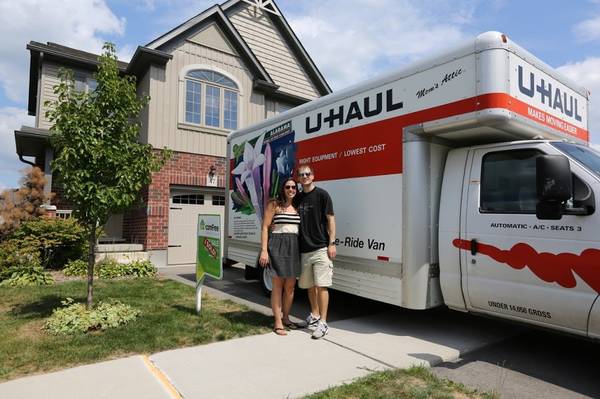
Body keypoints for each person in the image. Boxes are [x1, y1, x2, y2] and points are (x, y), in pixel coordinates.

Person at [293, 165, 336, 339]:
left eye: (307, 174)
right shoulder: (297, 198)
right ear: (298, 178)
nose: (305, 176)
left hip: (320, 248)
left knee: (322, 285)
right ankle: (314, 315)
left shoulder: (322, 195)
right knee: (309, 286)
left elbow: (330, 219)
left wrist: (332, 243)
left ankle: (323, 323)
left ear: (313, 176)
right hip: (304, 250)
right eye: (301, 175)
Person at [259, 177, 302, 336]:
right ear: (282, 189)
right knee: (277, 285)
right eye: (287, 187)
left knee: (290, 286)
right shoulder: (274, 205)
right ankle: (277, 322)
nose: (291, 189)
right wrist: (264, 250)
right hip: (277, 245)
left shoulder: (298, 207)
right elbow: (265, 227)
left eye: (293, 187)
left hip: (294, 246)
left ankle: (286, 317)